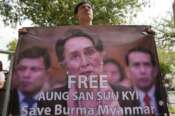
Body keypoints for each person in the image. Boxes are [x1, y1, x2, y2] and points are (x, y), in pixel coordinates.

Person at [55, 28, 121, 116]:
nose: (84, 63)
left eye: (89, 52)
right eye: (74, 56)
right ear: (65, 66)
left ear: (101, 56)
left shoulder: (127, 95)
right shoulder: (51, 101)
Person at [125, 47, 169, 116]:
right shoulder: (123, 99)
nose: (143, 71)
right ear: (127, 72)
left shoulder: (163, 93)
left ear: (155, 70)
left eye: (147, 64)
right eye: (136, 65)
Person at [8, 46, 51, 115]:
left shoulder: (57, 103)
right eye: (22, 68)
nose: (26, 75)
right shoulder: (7, 99)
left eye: (34, 69)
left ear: (47, 74)